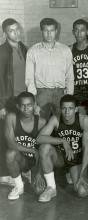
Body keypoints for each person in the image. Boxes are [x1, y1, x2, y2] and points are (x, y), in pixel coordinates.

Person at [37, 94, 88, 202]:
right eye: (64, 108)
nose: (67, 112)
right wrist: (63, 141)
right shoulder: (56, 119)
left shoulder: (84, 120)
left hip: (76, 160)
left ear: (76, 109)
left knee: (82, 191)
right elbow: (39, 139)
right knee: (44, 148)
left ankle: (71, 174)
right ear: (60, 109)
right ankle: (51, 188)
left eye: (70, 108)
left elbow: (87, 148)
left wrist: (82, 173)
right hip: (61, 158)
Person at [25, 18, 74, 121]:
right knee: (40, 124)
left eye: (51, 31)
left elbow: (70, 76)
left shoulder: (65, 50)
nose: (49, 34)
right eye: (46, 31)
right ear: (41, 31)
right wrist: (34, 100)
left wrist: (69, 97)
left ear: (56, 31)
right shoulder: (33, 51)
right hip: (41, 93)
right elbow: (29, 78)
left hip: (60, 93)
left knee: (61, 124)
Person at [5, 91, 46, 200]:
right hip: (20, 159)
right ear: (18, 106)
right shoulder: (11, 118)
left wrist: (39, 173)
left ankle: (30, 175)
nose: (26, 109)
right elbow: (10, 144)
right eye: (23, 106)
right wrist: (32, 150)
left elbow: (43, 151)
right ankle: (19, 186)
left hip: (35, 162)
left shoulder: (42, 122)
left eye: (29, 105)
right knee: (10, 154)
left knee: (39, 190)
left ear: (34, 105)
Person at [0, 18, 27, 183]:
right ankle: (4, 174)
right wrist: (1, 105)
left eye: (17, 29)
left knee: (18, 137)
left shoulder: (23, 48)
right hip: (8, 101)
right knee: (6, 138)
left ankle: (16, 169)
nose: (16, 33)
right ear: (5, 33)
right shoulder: (2, 51)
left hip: (21, 100)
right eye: (11, 30)